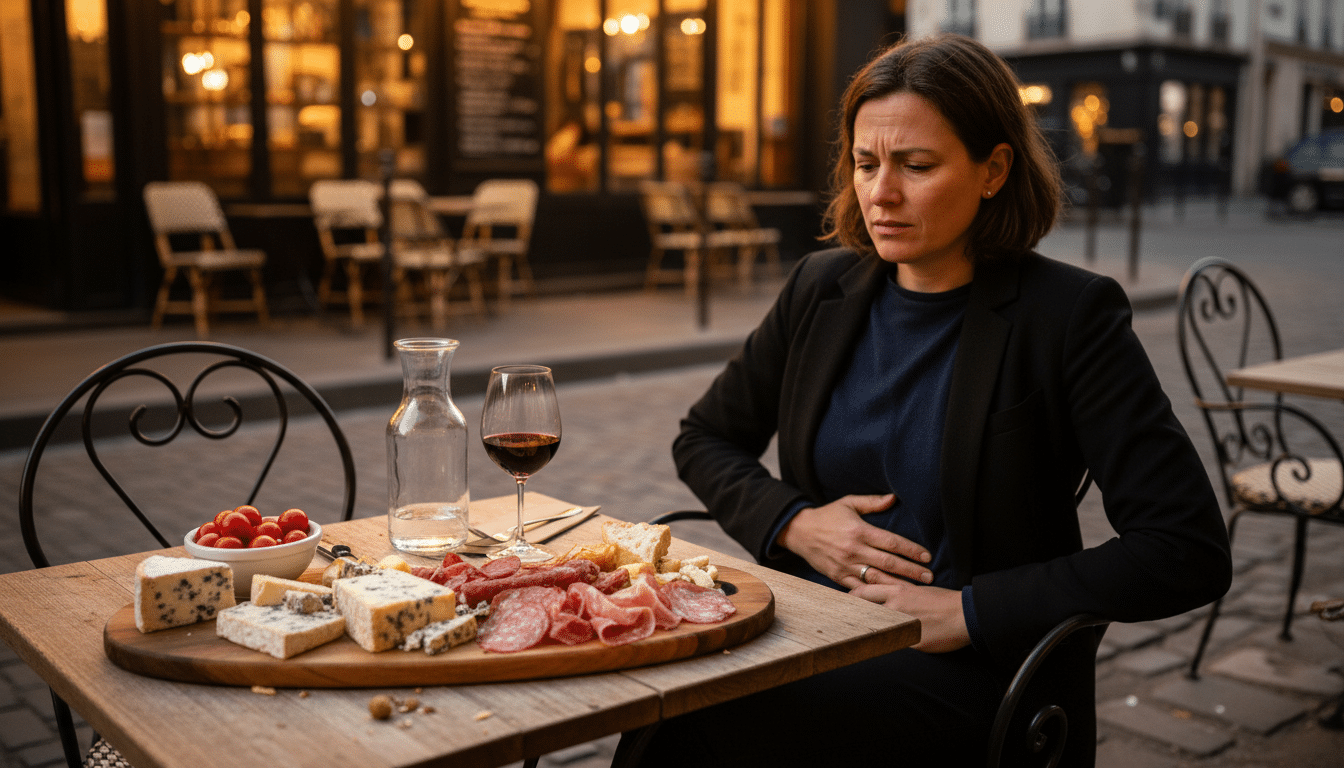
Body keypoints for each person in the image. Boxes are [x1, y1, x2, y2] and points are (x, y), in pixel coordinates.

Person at [635, 34, 1232, 767]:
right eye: (866, 164)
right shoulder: (821, 288)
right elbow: (704, 437)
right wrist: (793, 523)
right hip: (810, 627)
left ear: (994, 171)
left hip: (970, 671)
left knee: (699, 713)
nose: (881, 193)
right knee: (663, 694)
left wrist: (971, 611)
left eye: (916, 166)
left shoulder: (1067, 317)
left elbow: (1185, 547)